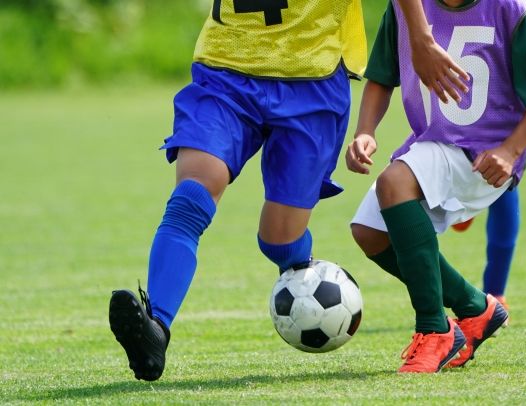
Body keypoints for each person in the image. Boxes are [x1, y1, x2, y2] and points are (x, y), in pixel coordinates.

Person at [107, 0, 470, 382]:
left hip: (312, 82)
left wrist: (421, 36)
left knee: (279, 239)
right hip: (225, 70)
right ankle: (156, 328)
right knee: (191, 198)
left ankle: (307, 267)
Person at [345, 0, 526, 373]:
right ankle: (477, 309)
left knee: (394, 181)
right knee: (370, 233)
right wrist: (365, 131)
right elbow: (382, 76)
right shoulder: (405, 8)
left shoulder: (513, 9)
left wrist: (510, 151)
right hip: (433, 143)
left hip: (485, 153)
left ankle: (434, 330)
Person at [452, 0, 526, 310]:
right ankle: (463, 197)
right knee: (461, 140)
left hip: (518, 34)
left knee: (503, 172)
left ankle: (495, 293)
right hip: (467, 31)